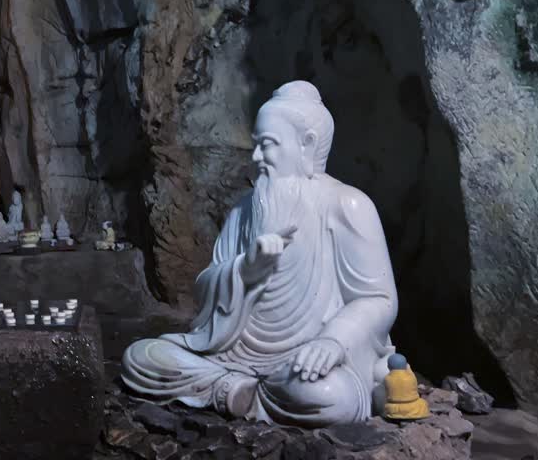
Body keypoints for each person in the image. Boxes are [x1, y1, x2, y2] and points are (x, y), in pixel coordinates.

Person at [122, 81, 397, 427]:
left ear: (306, 144)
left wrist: (333, 341)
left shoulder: (347, 206)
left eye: (267, 145)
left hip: (305, 361)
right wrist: (244, 270)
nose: (255, 158)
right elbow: (206, 286)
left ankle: (237, 394)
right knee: (142, 357)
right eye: (255, 146)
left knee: (329, 397)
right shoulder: (243, 212)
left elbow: (379, 298)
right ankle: (235, 390)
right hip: (231, 354)